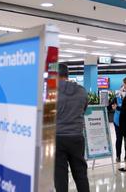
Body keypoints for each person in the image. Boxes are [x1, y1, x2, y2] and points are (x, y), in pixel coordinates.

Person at [54, 63, 90, 192]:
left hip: (58, 138)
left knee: (60, 176)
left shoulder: (51, 92)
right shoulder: (81, 90)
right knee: (81, 174)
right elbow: (84, 109)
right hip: (77, 137)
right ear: (67, 74)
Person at [109, 85, 125, 162]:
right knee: (119, 139)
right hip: (117, 122)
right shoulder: (116, 98)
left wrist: (117, 108)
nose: (123, 91)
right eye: (122, 89)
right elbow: (109, 107)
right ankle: (118, 156)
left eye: (124, 90)